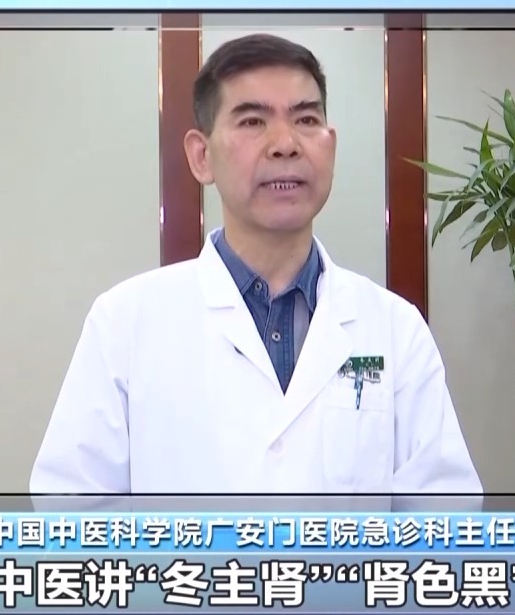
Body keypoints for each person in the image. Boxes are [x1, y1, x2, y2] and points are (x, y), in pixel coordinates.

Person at [30, 33, 481, 497]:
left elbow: (442, 511)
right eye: (252, 121)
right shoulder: (124, 322)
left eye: (306, 119)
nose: (285, 144)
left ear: (330, 146)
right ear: (201, 156)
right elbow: (74, 507)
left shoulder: (394, 328)